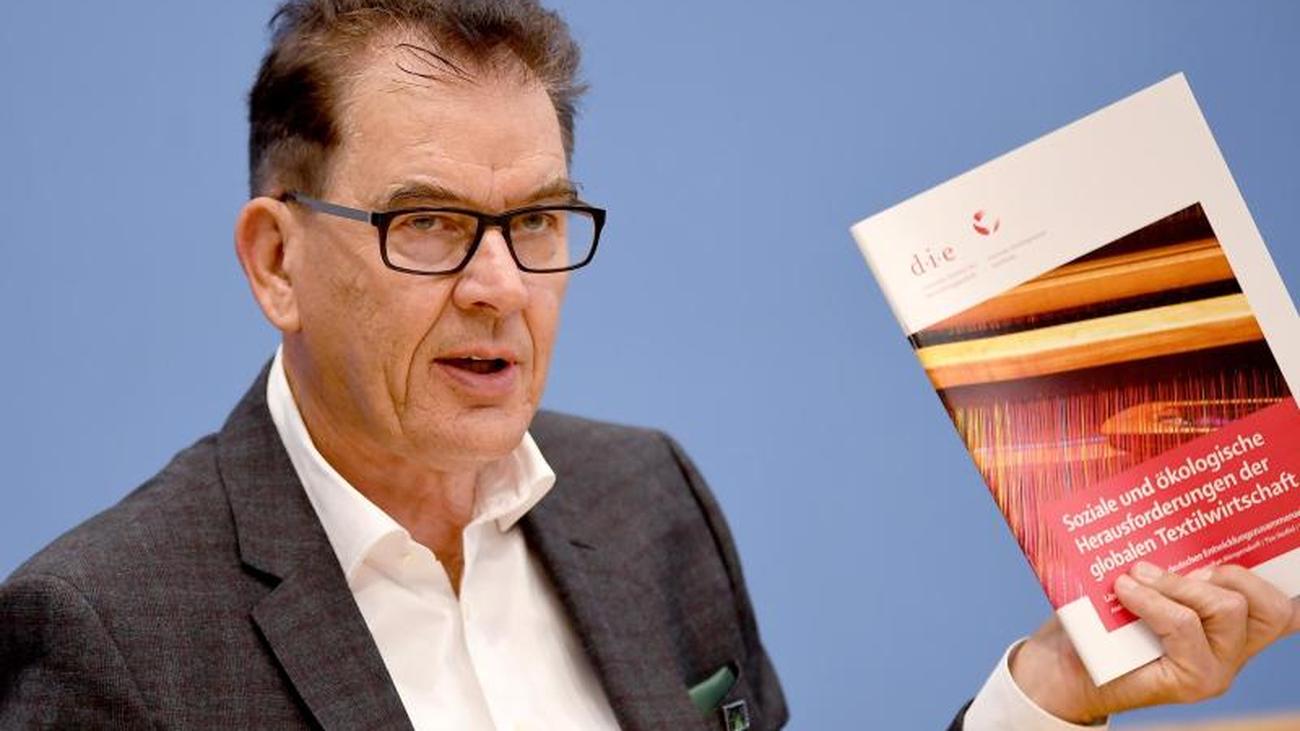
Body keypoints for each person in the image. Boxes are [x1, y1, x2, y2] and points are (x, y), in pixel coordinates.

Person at [1, 1, 1295, 729]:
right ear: (276, 260)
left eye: (538, 221)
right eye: (431, 224)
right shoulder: (106, 634)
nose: (501, 286)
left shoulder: (644, 500)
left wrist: (1050, 694)